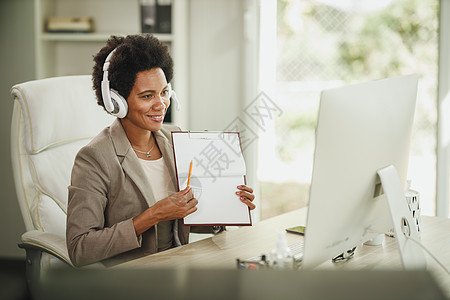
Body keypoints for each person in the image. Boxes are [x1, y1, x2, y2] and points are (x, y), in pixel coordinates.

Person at [66, 34, 256, 267]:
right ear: (116, 101)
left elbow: (178, 219)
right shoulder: (95, 158)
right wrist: (152, 215)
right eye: (147, 96)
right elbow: (80, 248)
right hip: (133, 276)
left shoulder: (174, 138)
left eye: (164, 92)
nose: (161, 105)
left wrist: (225, 208)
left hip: (179, 266)